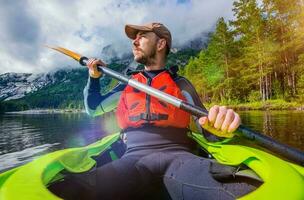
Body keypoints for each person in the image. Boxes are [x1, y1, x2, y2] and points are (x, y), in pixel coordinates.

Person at [69, 22, 255, 200]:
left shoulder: (180, 85)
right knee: (70, 190)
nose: (134, 41)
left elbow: (208, 131)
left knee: (248, 189)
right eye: (134, 38)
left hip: (180, 157)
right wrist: (93, 78)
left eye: (142, 36)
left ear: (161, 43)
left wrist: (223, 125)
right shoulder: (127, 84)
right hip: (132, 156)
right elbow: (93, 109)